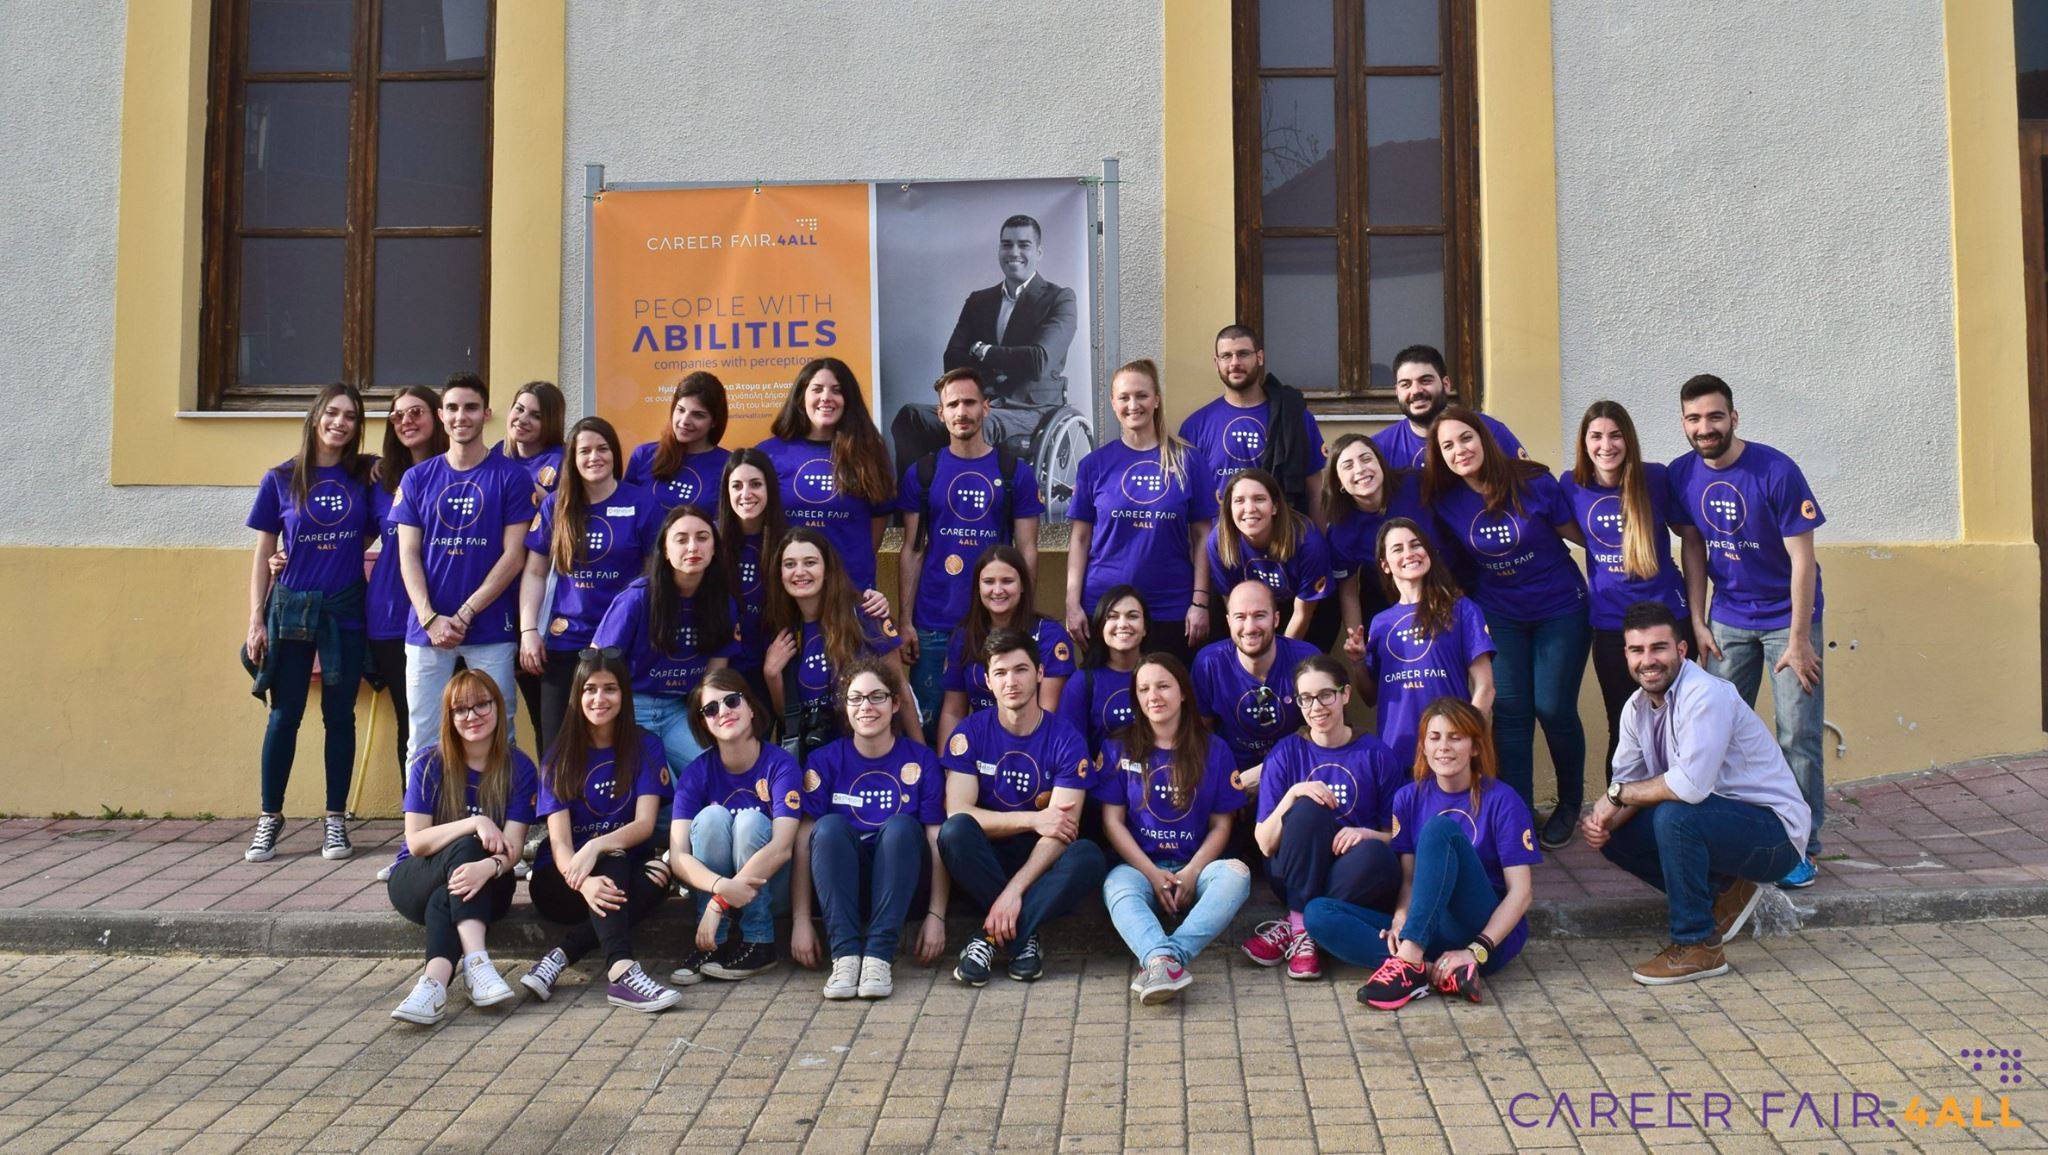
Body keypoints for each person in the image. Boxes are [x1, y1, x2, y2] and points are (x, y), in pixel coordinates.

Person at [1580, 602, 1811, 984]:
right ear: (1626, 655)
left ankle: (1698, 944)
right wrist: (1603, 823)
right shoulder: (1635, 708)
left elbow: (1688, 786)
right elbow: (1630, 783)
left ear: (1681, 650)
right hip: (1721, 824)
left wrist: (1616, 796)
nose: (1648, 661)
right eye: (1637, 650)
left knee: (1675, 817)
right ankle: (1724, 892)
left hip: (1775, 836)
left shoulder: (1705, 695)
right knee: (1617, 835)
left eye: (1659, 648)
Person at [1668, 374, 1827, 886]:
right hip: (1727, 619)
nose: (1705, 427)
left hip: (1788, 619)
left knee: (1797, 734)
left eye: (1715, 416)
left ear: (1734, 417)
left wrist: (1799, 639)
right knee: (1714, 732)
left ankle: (1801, 846)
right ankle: (1728, 839)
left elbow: (1803, 561)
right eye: (1694, 418)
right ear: (1684, 423)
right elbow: (1693, 548)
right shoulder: (1681, 474)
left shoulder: (1776, 471)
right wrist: (1698, 620)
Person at [1422, 406, 1590, 849]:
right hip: (1501, 613)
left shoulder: (1533, 481)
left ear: (1484, 439)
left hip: (1560, 607)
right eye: (1447, 446)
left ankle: (1570, 804)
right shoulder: (1446, 501)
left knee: (1553, 708)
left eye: (1466, 438)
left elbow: (1582, 535)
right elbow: (1455, 566)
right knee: (1511, 713)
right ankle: (1520, 812)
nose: (1459, 450)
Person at [1304, 698, 1538, 1011]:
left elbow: (1522, 893)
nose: (1444, 747)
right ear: (1424, 747)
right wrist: (1402, 918)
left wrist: (1475, 950)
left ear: (1475, 747)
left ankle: (1413, 959)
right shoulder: (1408, 798)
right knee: (1318, 913)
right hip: (1430, 930)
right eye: (1435, 737)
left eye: (1456, 737)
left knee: (1439, 830)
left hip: (1485, 931)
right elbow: (1410, 879)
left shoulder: (1504, 800)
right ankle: (1431, 972)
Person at [242, 383, 378, 863]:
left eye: (351, 416)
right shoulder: (280, 478)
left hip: (344, 610)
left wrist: (336, 559)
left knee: (340, 716)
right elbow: (263, 553)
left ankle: (335, 820)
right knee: (284, 715)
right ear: (315, 416)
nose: (340, 423)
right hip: (291, 610)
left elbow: (368, 533)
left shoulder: (364, 476)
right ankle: (270, 816)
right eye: (333, 413)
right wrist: (255, 619)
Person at [937, 628, 1107, 985]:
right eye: (1000, 672)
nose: (1011, 681)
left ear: (1040, 673)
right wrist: (1033, 819)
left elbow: (1060, 831)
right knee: (954, 832)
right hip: (987, 856)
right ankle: (1023, 938)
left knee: (1088, 856)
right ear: (988, 681)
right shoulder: (969, 732)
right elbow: (959, 812)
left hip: (1041, 860)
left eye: (1021, 670)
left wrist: (1012, 894)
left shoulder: (1066, 739)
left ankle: (990, 937)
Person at [519, 651, 679, 1011]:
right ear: (576, 696)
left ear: (624, 695)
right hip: (560, 882)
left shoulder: (645, 746)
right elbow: (560, 843)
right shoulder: (558, 758)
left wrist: (595, 846)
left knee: (650, 874)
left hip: (618, 876)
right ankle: (621, 971)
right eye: (590, 689)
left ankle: (559, 957)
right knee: (616, 861)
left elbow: (644, 825)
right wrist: (585, 882)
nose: (599, 698)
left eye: (610, 689)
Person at [394, 372, 535, 762]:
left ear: (486, 413)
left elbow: (514, 556)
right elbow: (408, 555)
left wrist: (465, 613)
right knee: (423, 738)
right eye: (453, 408)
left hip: (490, 629)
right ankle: (422, 807)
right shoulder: (416, 478)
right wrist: (429, 618)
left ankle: (497, 805)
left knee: (499, 736)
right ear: (441, 415)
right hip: (426, 630)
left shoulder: (512, 477)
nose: (461, 416)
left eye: (471, 408)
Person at [897, 366, 1044, 735]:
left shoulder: (1015, 474)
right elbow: (912, 550)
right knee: (932, 727)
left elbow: (1027, 550)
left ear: (986, 407)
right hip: (934, 625)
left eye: (969, 402)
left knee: (998, 728)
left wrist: (1022, 615)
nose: (961, 412)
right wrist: (905, 622)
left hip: (995, 625)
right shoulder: (922, 473)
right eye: (952, 405)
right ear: (940, 413)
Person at [386, 671, 538, 1025]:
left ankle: (432, 986)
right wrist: (475, 822)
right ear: (449, 717)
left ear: (498, 707)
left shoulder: (519, 767)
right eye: (461, 709)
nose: (472, 716)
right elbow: (417, 842)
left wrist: (488, 867)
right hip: (416, 879)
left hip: (489, 881)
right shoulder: (428, 764)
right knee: (467, 846)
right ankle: (477, 963)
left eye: (482, 704)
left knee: (449, 894)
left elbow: (513, 848)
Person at [793, 659, 950, 1000]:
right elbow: (804, 840)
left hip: (903, 888)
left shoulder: (922, 760)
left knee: (900, 827)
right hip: (844, 891)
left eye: (877, 696)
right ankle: (845, 958)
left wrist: (936, 914)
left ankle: (879, 956)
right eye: (856, 698)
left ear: (895, 704)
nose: (866, 706)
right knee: (829, 827)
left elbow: (935, 839)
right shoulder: (824, 760)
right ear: (845, 707)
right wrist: (801, 919)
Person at [1098, 654, 1251, 1004]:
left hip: (1196, 868)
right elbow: (1111, 822)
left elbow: (1222, 824)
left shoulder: (1215, 749)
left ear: (1183, 692)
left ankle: (1165, 959)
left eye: (1163, 686)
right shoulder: (1118, 747)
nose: (1154, 696)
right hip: (1141, 868)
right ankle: (1162, 958)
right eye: (1144, 689)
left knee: (1237, 875)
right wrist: (1152, 874)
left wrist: (1193, 871)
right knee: (1115, 885)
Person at [1243, 655, 1403, 981]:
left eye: (1325, 695)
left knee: (1377, 854)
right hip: (1293, 868)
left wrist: (1367, 834)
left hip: (1352, 874)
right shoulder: (1285, 753)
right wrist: (1294, 793)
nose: (1316, 706)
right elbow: (1265, 844)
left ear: (1345, 694)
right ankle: (1305, 928)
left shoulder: (1377, 754)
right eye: (1306, 698)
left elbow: (1398, 839)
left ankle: (1295, 925)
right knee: (1308, 808)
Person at [1560, 401, 1694, 775]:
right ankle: (1622, 805)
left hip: (1669, 616)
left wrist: (1698, 617)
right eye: (1596, 436)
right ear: (1584, 442)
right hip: (1610, 624)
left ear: (1628, 439)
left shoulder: (1655, 478)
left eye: (1615, 435)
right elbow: (1567, 530)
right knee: (1623, 726)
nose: (1606, 445)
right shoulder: (1571, 484)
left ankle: (1676, 803)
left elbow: (1691, 535)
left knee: (1677, 724)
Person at [518, 417, 662, 758]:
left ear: (615, 454)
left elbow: (654, 576)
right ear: (573, 458)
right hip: (564, 642)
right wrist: (528, 631)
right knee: (557, 747)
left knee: (618, 745)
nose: (594, 457)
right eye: (584, 451)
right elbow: (535, 572)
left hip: (622, 643)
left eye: (602, 449)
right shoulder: (557, 505)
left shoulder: (642, 503)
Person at [892, 214, 1079, 469]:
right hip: (984, 402)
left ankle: (965, 494)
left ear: (1038, 252)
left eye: (1023, 245)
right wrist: (1007, 362)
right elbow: (952, 359)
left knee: (977, 424)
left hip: (1031, 410)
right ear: (999, 250)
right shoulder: (979, 301)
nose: (1014, 252)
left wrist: (984, 351)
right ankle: (915, 493)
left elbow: (1038, 361)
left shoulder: (1060, 299)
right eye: (1007, 245)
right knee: (911, 416)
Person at [1065, 360, 1217, 665]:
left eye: (1142, 395)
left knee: (1165, 691)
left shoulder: (1189, 461)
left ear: (1156, 399)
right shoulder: (1094, 465)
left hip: (1171, 608)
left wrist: (1200, 602)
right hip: (1105, 608)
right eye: (1124, 397)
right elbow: (1080, 539)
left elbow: (1204, 537)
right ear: (1113, 403)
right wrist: (1072, 603)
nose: (1133, 405)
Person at [665, 670, 803, 984]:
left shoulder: (781, 764)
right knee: (712, 818)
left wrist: (720, 901)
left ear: (751, 707)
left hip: (772, 891)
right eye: (711, 709)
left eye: (731, 701)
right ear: (703, 723)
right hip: (719, 890)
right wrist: (721, 887)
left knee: (750, 821)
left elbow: (782, 848)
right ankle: (712, 945)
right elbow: (678, 857)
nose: (723, 712)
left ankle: (760, 941)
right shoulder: (696, 773)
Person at [590, 505, 739, 777]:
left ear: (714, 548)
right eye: (681, 539)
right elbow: (596, 667)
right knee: (662, 786)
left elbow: (714, 677)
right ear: (666, 550)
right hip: (630, 710)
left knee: (714, 775)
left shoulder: (723, 603)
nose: (693, 547)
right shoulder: (637, 598)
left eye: (702, 538)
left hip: (677, 712)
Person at [763, 529, 918, 764]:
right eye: (790, 564)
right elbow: (789, 719)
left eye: (810, 562)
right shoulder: (783, 628)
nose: (800, 572)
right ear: (780, 573)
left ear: (827, 570)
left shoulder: (866, 613)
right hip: (819, 762)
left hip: (874, 753)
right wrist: (771, 675)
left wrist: (921, 753)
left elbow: (901, 690)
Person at [1347, 519, 1496, 763]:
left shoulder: (1462, 610)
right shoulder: (1380, 623)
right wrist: (1358, 663)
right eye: (1398, 549)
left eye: (1416, 545)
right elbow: (1370, 697)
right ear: (1385, 565)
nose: (1409, 554)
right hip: (1397, 754)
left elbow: (1485, 687)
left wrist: (1465, 737)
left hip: (1450, 755)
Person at [362, 386, 447, 790]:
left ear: (438, 416)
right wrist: (285, 556)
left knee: (459, 717)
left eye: (416, 412)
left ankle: (463, 810)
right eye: (397, 416)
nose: (406, 421)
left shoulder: (461, 471)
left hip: (449, 614)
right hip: (392, 615)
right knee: (413, 718)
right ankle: (416, 812)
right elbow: (355, 538)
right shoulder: (381, 481)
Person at [759, 357, 895, 595]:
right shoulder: (769, 454)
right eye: (817, 389)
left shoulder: (869, 454)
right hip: (788, 591)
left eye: (837, 390)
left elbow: (877, 523)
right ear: (801, 397)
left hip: (850, 590)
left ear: (848, 400)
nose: (826, 397)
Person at [935, 545, 1074, 750]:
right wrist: (947, 763)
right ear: (978, 587)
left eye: (1007, 581)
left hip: (1035, 748)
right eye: (989, 582)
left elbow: (1046, 715)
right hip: (980, 746)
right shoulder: (964, 636)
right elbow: (953, 712)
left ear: (1023, 585)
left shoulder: (1049, 635)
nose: (998, 590)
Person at [1179, 324, 1326, 513]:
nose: (1235, 363)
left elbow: (1315, 492)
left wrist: (1318, 533)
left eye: (1243, 354)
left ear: (1260, 357)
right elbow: (1189, 501)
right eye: (1226, 356)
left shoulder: (1294, 417)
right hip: (1221, 531)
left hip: (1283, 528)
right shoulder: (1195, 427)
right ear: (1216, 363)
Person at [1189, 581, 1321, 790]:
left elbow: (1323, 732)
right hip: (1231, 777)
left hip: (1295, 774)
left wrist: (1264, 772)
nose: (1250, 627)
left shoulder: (1306, 659)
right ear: (1228, 621)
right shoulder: (1209, 663)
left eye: (1259, 615)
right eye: (1240, 617)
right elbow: (1200, 733)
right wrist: (1226, 786)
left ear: (1276, 619)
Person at [1321, 433, 1431, 642]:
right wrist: (1357, 640)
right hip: (1390, 601)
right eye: (1348, 466)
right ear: (1339, 482)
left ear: (1381, 463)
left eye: (1366, 459)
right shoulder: (1342, 532)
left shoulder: (1416, 485)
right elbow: (1348, 592)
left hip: (1447, 586)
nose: (1360, 469)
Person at [1206, 468, 1334, 641]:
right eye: (1239, 500)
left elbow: (1302, 614)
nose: (1249, 509)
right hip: (1250, 610)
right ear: (1229, 508)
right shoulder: (1218, 542)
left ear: (1274, 506)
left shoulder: (1308, 543)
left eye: (1259, 499)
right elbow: (1231, 602)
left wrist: (1278, 654)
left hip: (1299, 610)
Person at [1372, 345, 1527, 470]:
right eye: (1405, 384)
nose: (1416, 391)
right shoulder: (1380, 448)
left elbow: (1531, 485)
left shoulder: (1490, 430)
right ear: (1397, 391)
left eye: (1425, 381)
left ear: (1446, 384)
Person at [716, 448, 788, 707]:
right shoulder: (709, 540)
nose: (746, 494)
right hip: (721, 668)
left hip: (776, 664)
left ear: (770, 488)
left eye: (755, 484)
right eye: (736, 486)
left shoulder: (789, 541)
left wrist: (871, 599)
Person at [1054, 586, 1147, 761]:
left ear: (1145, 628)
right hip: (1100, 777)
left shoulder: (1164, 674)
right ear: (1100, 627)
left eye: (1132, 616)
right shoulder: (1082, 682)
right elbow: (1070, 749)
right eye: (1112, 616)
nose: (1123, 624)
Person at [627, 371, 732, 511]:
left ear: (714, 421)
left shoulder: (729, 465)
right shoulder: (643, 455)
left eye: (698, 415)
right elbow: (625, 511)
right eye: (681, 410)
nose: (684, 421)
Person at [497, 380, 566, 502]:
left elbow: (572, 511)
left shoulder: (564, 461)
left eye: (536, 416)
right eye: (519, 409)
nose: (522, 419)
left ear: (552, 423)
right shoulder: (497, 453)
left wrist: (544, 498)